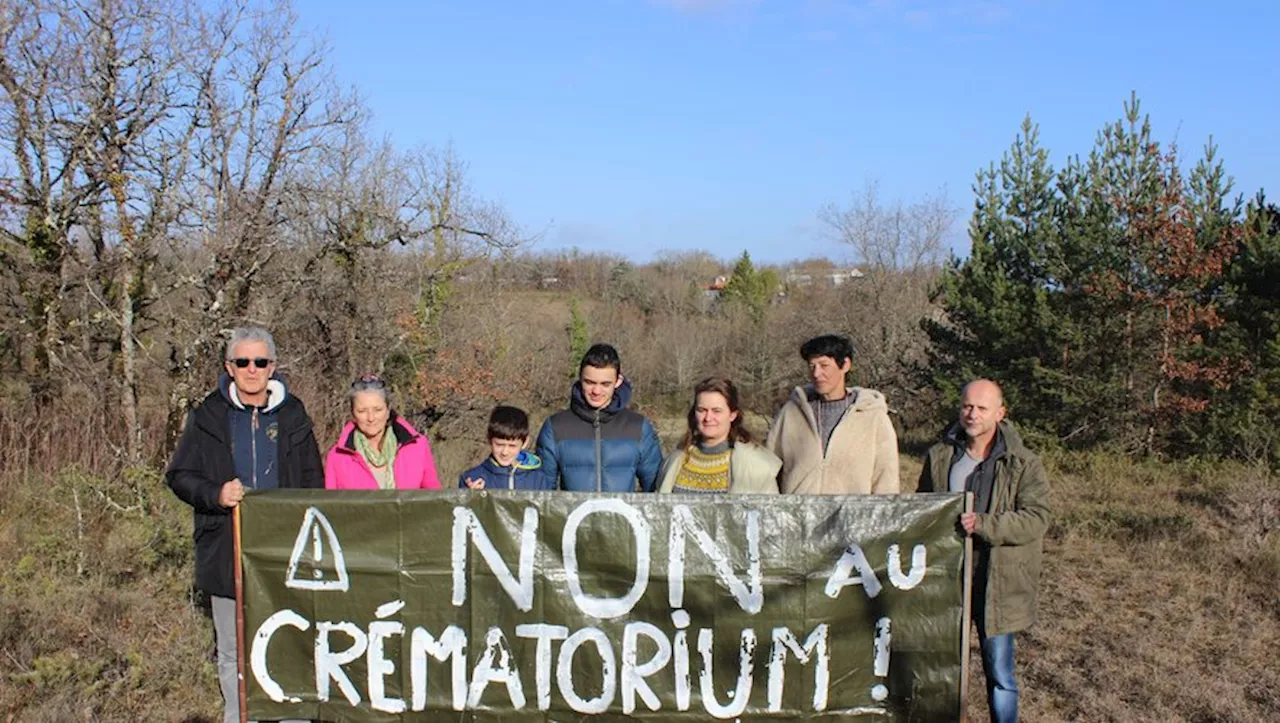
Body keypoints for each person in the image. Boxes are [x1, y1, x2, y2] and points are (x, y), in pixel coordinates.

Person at [165, 327, 322, 723]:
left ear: (273, 366)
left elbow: (313, 482)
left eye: (261, 362)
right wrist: (216, 493)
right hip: (225, 549)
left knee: (290, 642)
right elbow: (180, 475)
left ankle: (293, 717)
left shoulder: (294, 414)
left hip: (283, 554)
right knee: (234, 650)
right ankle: (240, 717)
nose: (252, 370)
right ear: (229, 367)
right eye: (243, 362)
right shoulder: (207, 415)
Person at [917, 379, 1051, 723]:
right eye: (966, 406)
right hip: (948, 582)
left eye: (981, 408)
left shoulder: (1024, 463)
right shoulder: (939, 456)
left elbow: (1037, 518)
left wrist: (986, 525)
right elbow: (921, 508)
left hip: (999, 585)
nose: (971, 414)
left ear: (1000, 413)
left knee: (1000, 675)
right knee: (943, 667)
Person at [765, 334, 900, 494]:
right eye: (812, 366)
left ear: (845, 365)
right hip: (798, 517)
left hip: (852, 517)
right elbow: (767, 471)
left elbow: (886, 478)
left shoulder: (872, 417)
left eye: (824, 365)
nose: (816, 374)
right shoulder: (790, 413)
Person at [535, 343, 663, 492]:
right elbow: (542, 494)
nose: (596, 391)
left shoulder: (638, 426)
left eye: (605, 384)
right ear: (580, 378)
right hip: (574, 515)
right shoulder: (555, 427)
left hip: (622, 515)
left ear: (618, 381)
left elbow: (656, 491)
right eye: (589, 382)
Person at [658, 377, 781, 494]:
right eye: (702, 410)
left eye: (716, 411)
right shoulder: (674, 462)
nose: (708, 418)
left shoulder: (757, 467)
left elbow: (772, 514)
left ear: (732, 415)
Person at [325, 374, 441, 490]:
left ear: (388, 410)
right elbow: (331, 505)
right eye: (362, 411)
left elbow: (433, 499)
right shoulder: (337, 457)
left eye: (377, 410)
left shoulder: (418, 446)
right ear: (353, 413)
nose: (371, 418)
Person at [458, 405, 551, 491]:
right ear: (489, 439)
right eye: (499, 445)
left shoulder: (539, 479)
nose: (505, 452)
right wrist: (471, 498)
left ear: (525, 442)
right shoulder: (472, 478)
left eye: (512, 446)